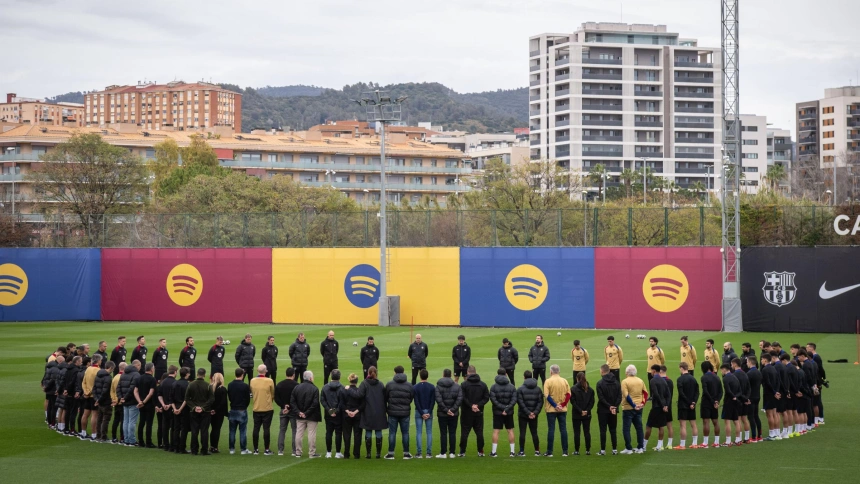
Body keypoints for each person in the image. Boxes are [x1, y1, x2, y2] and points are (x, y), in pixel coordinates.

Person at [384, 365, 414, 459]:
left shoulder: (389, 384)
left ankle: (391, 453)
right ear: (403, 372)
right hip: (405, 412)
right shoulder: (409, 385)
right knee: (405, 433)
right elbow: (411, 397)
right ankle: (406, 453)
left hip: (392, 411)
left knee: (392, 433)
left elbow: (385, 397)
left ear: (395, 372)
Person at [459, 365, 489, 457]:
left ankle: (462, 451)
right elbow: (486, 397)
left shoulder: (464, 384)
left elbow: (462, 398)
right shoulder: (483, 384)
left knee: (464, 432)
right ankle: (480, 451)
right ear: (475, 372)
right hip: (478, 412)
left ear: (468, 372)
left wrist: (471, 405)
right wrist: (478, 405)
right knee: (479, 432)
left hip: (466, 412)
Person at [292, 370, 322, 458]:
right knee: (311, 434)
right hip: (311, 415)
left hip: (300, 415)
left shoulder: (297, 387)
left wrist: (299, 412)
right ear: (310, 378)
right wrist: (306, 413)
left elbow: (292, 402)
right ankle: (311, 453)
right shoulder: (314, 388)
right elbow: (315, 403)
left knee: (299, 433)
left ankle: (298, 452)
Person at [358, 366, 386, 459]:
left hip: (368, 411)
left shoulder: (364, 383)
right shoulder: (381, 384)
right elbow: (384, 398)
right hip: (379, 411)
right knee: (378, 431)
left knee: (368, 431)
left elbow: (359, 395)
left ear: (368, 373)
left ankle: (368, 454)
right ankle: (378, 454)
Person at [185, 368, 214, 455]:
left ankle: (194, 450)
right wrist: (203, 408)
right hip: (205, 412)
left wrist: (194, 407)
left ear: (197, 374)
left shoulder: (190, 385)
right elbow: (211, 399)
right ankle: (204, 450)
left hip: (193, 412)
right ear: (204, 375)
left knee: (194, 431)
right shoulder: (208, 385)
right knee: (204, 431)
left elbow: (187, 398)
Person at [543, 364, 570, 457]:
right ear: (559, 371)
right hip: (562, 409)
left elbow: (547, 395)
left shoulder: (548, 381)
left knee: (551, 429)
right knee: (563, 429)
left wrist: (555, 405)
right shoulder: (564, 381)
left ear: (551, 372)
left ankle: (549, 451)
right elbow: (568, 395)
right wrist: (561, 405)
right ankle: (565, 451)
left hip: (551, 409)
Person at [488, 368, 516, 458]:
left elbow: (493, 400)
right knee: (510, 430)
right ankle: (512, 452)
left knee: (496, 431)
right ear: (506, 374)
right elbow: (514, 399)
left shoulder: (493, 386)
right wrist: (507, 409)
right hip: (509, 412)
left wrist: (502, 408)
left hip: (497, 412)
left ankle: (494, 452)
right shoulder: (511, 386)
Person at [435, 368, 463, 458]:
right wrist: (453, 410)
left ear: (443, 375)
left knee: (443, 433)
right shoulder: (457, 386)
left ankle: (443, 453)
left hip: (442, 413)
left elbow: (438, 400)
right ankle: (452, 452)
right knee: (452, 432)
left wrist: (446, 410)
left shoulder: (438, 386)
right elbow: (459, 399)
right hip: (453, 413)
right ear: (451, 375)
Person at [514, 369, 542, 457]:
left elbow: (520, 402)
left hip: (523, 414)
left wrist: (527, 412)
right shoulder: (538, 389)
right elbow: (540, 402)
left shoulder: (520, 389)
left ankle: (522, 451)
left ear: (524, 377)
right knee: (534, 432)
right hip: (534, 414)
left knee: (522, 432)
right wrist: (534, 413)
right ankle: (537, 451)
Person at [250, 364, 275, 455]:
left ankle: (256, 449)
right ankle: (266, 449)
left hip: (256, 408)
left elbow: (252, 392)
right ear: (265, 371)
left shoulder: (252, 381)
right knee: (266, 428)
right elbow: (272, 394)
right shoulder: (269, 381)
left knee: (256, 428)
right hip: (267, 408)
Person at [595, 364, 620, 456]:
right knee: (613, 430)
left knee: (603, 430)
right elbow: (619, 396)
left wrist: (609, 406)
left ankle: (602, 450)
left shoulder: (600, 383)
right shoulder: (617, 382)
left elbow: (601, 398)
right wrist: (614, 406)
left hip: (603, 410)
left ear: (602, 371)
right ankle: (614, 449)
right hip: (613, 410)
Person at [620, 364, 645, 455]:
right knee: (639, 427)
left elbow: (626, 395)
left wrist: (634, 405)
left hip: (628, 408)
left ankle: (629, 448)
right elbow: (645, 393)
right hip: (639, 407)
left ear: (627, 372)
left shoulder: (625, 381)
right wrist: (642, 404)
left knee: (626, 428)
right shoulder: (640, 381)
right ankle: (640, 447)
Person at [644, 364, 669, 451]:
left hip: (656, 406)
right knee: (661, 426)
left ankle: (644, 446)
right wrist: (666, 405)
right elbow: (668, 394)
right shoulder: (663, 380)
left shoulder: (653, 380)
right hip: (663, 407)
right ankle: (659, 446)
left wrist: (662, 405)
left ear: (654, 371)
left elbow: (656, 394)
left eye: (651, 370)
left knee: (648, 426)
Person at [227, 368, 251, 455]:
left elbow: (229, 396)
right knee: (242, 430)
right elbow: (248, 399)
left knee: (232, 430)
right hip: (241, 410)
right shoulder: (245, 386)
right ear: (242, 375)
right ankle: (243, 449)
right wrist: (244, 406)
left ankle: (232, 449)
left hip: (233, 409)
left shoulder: (230, 385)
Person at [320, 369, 344, 458]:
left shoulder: (325, 387)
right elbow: (342, 402)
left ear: (331, 376)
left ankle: (328, 452)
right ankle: (338, 453)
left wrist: (329, 410)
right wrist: (336, 411)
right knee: (338, 433)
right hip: (338, 414)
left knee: (329, 432)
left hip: (328, 414)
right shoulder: (342, 388)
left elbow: (322, 400)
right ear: (339, 377)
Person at [275, 367, 299, 456]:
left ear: (286, 374)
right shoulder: (296, 385)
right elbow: (297, 399)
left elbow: (276, 398)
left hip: (283, 410)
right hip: (293, 410)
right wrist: (290, 407)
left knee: (282, 430)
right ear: (293, 375)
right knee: (294, 430)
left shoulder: (280, 384)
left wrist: (283, 406)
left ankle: (280, 450)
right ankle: (294, 450)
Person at [675, 362, 699, 449]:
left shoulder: (680, 379)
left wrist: (689, 403)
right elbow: (697, 392)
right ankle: (695, 443)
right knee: (693, 424)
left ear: (681, 368)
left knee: (683, 425)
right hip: (692, 405)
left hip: (683, 405)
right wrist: (693, 402)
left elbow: (681, 393)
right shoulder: (693, 379)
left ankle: (682, 445)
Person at [413, 369, 435, 459]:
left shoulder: (415, 387)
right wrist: (429, 412)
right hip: (428, 410)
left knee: (419, 432)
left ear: (419, 376)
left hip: (419, 411)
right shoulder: (432, 387)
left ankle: (419, 452)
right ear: (427, 376)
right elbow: (433, 401)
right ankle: (429, 453)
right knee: (429, 432)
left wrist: (422, 413)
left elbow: (416, 401)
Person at [119, 359, 142, 446]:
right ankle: (131, 440)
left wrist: (121, 397)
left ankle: (126, 439)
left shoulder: (124, 374)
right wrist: (125, 397)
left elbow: (119, 387)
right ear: (137, 366)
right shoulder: (136, 375)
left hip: (124, 401)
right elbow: (132, 388)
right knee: (132, 421)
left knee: (126, 421)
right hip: (132, 401)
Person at [571, 372, 595, 456]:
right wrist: (586, 411)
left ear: (577, 379)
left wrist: (580, 411)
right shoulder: (590, 390)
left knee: (577, 432)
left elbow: (573, 402)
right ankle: (587, 450)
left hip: (576, 414)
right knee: (587, 431)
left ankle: (577, 450)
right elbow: (592, 402)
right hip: (587, 414)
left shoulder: (573, 389)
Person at [340, 373, 363, 459]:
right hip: (357, 415)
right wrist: (355, 412)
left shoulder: (344, 391)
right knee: (357, 434)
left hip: (346, 414)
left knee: (346, 434)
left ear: (349, 380)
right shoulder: (359, 391)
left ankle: (346, 453)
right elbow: (362, 404)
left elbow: (341, 403)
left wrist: (348, 411)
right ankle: (356, 454)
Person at [700, 361, 722, 448]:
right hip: (715, 402)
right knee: (715, 421)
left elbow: (705, 391)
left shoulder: (704, 377)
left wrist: (712, 401)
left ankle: (705, 443)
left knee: (706, 422)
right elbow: (721, 391)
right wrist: (717, 401)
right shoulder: (717, 377)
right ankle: (716, 442)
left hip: (707, 402)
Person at [719, 363, 741, 447]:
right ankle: (738, 439)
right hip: (735, 402)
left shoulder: (725, 378)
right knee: (736, 420)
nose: (721, 372)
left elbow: (728, 390)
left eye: (721, 370)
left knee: (727, 421)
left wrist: (733, 397)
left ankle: (728, 441)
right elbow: (740, 391)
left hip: (728, 401)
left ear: (724, 369)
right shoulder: (735, 377)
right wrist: (736, 397)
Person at [760, 353, 781, 441]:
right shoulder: (773, 368)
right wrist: (776, 391)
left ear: (765, 360)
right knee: (775, 413)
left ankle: (772, 434)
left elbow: (767, 383)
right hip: (774, 393)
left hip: (769, 394)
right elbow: (778, 381)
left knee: (769, 415)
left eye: (761, 359)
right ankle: (777, 433)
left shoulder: (765, 369)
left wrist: (773, 392)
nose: (761, 361)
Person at [79, 354, 101, 440]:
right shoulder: (98, 370)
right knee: (94, 415)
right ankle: (94, 434)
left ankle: (83, 432)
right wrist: (90, 392)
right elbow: (96, 384)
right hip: (94, 396)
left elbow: (83, 382)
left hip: (87, 395)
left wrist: (85, 392)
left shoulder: (88, 369)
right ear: (98, 361)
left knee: (85, 414)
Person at [136, 362, 157, 448]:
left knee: (141, 422)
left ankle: (141, 441)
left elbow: (135, 391)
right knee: (149, 423)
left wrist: (139, 401)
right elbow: (151, 393)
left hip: (141, 404)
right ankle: (148, 442)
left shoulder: (139, 378)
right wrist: (144, 402)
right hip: (149, 404)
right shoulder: (152, 379)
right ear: (152, 369)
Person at [730, 358, 751, 444]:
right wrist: (747, 398)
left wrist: (742, 398)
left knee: (737, 420)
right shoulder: (745, 374)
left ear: (735, 364)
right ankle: (747, 438)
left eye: (732, 364)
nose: (731, 366)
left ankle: (738, 439)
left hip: (738, 400)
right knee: (745, 419)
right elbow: (749, 388)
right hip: (745, 399)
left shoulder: (734, 375)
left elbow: (737, 390)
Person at [93, 361, 114, 443]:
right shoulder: (108, 378)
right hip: (106, 401)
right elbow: (105, 391)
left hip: (99, 400)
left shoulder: (97, 375)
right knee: (105, 419)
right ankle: (103, 436)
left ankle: (98, 435)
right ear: (110, 368)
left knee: (99, 419)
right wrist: (99, 400)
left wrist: (96, 399)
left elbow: (94, 388)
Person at [171, 367, 191, 454]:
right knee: (184, 428)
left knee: (176, 428)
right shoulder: (187, 384)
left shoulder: (174, 383)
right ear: (186, 374)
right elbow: (186, 399)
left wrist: (175, 409)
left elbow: (171, 398)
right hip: (184, 408)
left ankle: (176, 447)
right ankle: (182, 447)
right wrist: (180, 409)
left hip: (175, 407)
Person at [158, 365, 178, 452]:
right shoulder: (175, 383)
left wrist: (163, 404)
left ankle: (166, 444)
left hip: (164, 407)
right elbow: (175, 397)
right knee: (173, 427)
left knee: (165, 426)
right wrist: (170, 405)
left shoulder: (163, 382)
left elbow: (159, 395)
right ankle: (172, 445)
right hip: (172, 408)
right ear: (175, 372)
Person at [806, 342, 825, 424]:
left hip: (816, 382)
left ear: (812, 348)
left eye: (807, 347)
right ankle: (819, 417)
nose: (806, 349)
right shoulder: (815, 358)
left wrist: (821, 380)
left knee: (817, 401)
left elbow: (820, 369)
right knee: (817, 400)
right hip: (817, 381)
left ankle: (820, 417)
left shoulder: (816, 358)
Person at [774, 351, 791, 439]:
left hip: (780, 391)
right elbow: (786, 379)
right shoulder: (783, 366)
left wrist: (777, 391)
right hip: (784, 391)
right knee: (784, 412)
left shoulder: (777, 366)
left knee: (778, 412)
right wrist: (787, 391)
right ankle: (785, 431)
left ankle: (778, 433)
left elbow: (778, 380)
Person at [209, 372, 228, 454]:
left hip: (209, 411)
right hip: (219, 412)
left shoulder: (210, 387)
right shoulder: (222, 389)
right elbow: (223, 402)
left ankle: (211, 446)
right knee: (216, 429)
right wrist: (216, 410)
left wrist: (211, 409)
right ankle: (215, 446)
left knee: (212, 429)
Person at [745, 356, 763, 442]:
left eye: (747, 362)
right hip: (757, 396)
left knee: (751, 417)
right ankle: (759, 435)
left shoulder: (749, 373)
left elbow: (746, 387)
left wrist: (746, 397)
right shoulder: (759, 372)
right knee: (756, 416)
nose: (746, 364)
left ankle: (753, 437)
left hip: (751, 397)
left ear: (750, 362)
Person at [109, 361, 125, 443]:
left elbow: (112, 390)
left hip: (115, 401)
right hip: (121, 402)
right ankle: (122, 438)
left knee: (116, 420)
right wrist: (119, 400)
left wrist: (114, 399)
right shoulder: (123, 377)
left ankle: (114, 437)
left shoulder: (115, 377)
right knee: (123, 420)